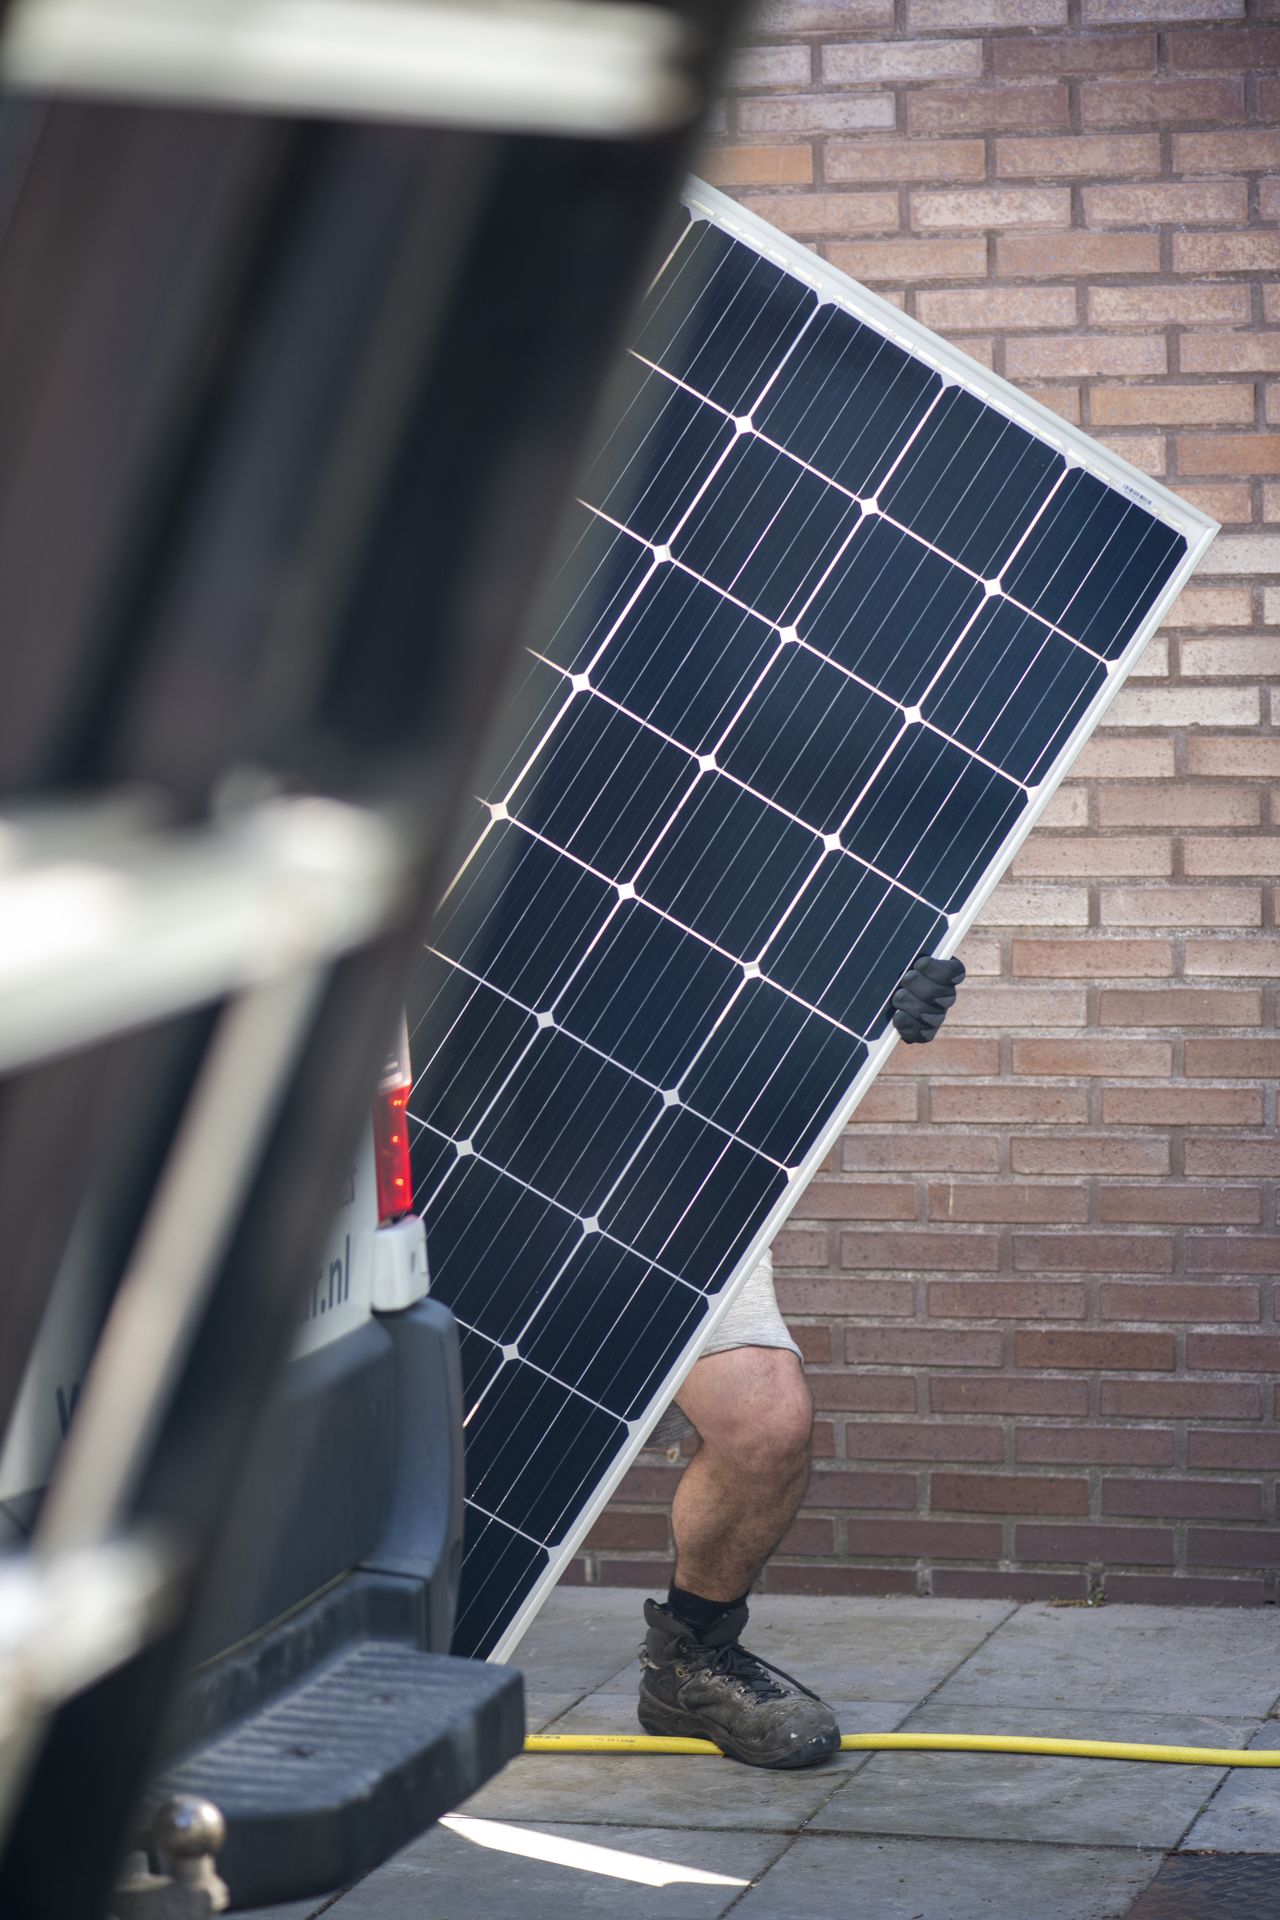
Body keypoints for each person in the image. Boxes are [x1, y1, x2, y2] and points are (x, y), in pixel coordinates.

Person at [637, 954, 966, 1769]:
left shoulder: (701, 842)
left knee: (767, 1422)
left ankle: (693, 1661)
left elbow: (761, 959)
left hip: (672, 1183)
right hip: (427, 1180)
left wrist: (864, 996)